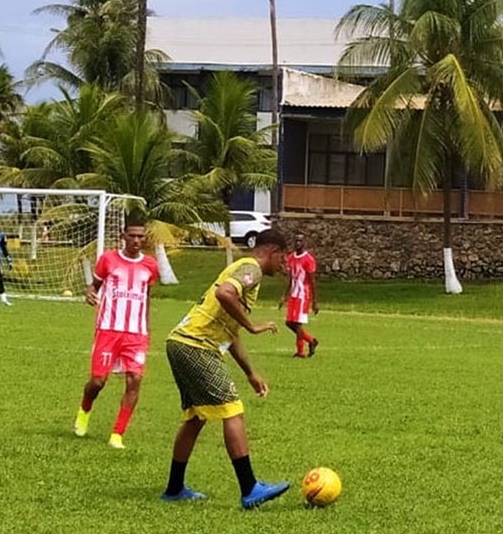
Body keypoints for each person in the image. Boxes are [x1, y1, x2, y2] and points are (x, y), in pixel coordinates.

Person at [162, 228, 291, 508]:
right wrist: (253, 325)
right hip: (197, 345)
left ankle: (174, 489)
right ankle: (249, 489)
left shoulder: (241, 270)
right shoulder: (252, 268)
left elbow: (229, 333)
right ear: (273, 252)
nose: (283, 266)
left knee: (196, 417)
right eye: (283, 259)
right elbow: (225, 294)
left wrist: (250, 373)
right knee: (233, 410)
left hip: (180, 343)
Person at [73, 212, 159, 450]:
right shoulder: (108, 259)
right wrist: (90, 293)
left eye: (141, 236)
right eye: (132, 236)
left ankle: (117, 434)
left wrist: (146, 326)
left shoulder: (150, 265)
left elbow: (147, 296)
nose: (136, 240)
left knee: (135, 380)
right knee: (98, 382)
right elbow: (95, 286)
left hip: (136, 334)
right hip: (108, 330)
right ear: (123, 236)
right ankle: (84, 410)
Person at [280, 231, 319, 357]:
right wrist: (284, 296)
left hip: (303, 295)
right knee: (289, 322)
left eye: (300, 241)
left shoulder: (309, 259)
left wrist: (315, 301)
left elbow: (312, 281)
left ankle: (300, 351)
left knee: (298, 324)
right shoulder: (291, 257)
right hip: (294, 294)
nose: (298, 243)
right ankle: (311, 340)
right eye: (296, 240)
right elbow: (290, 279)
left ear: (304, 243)